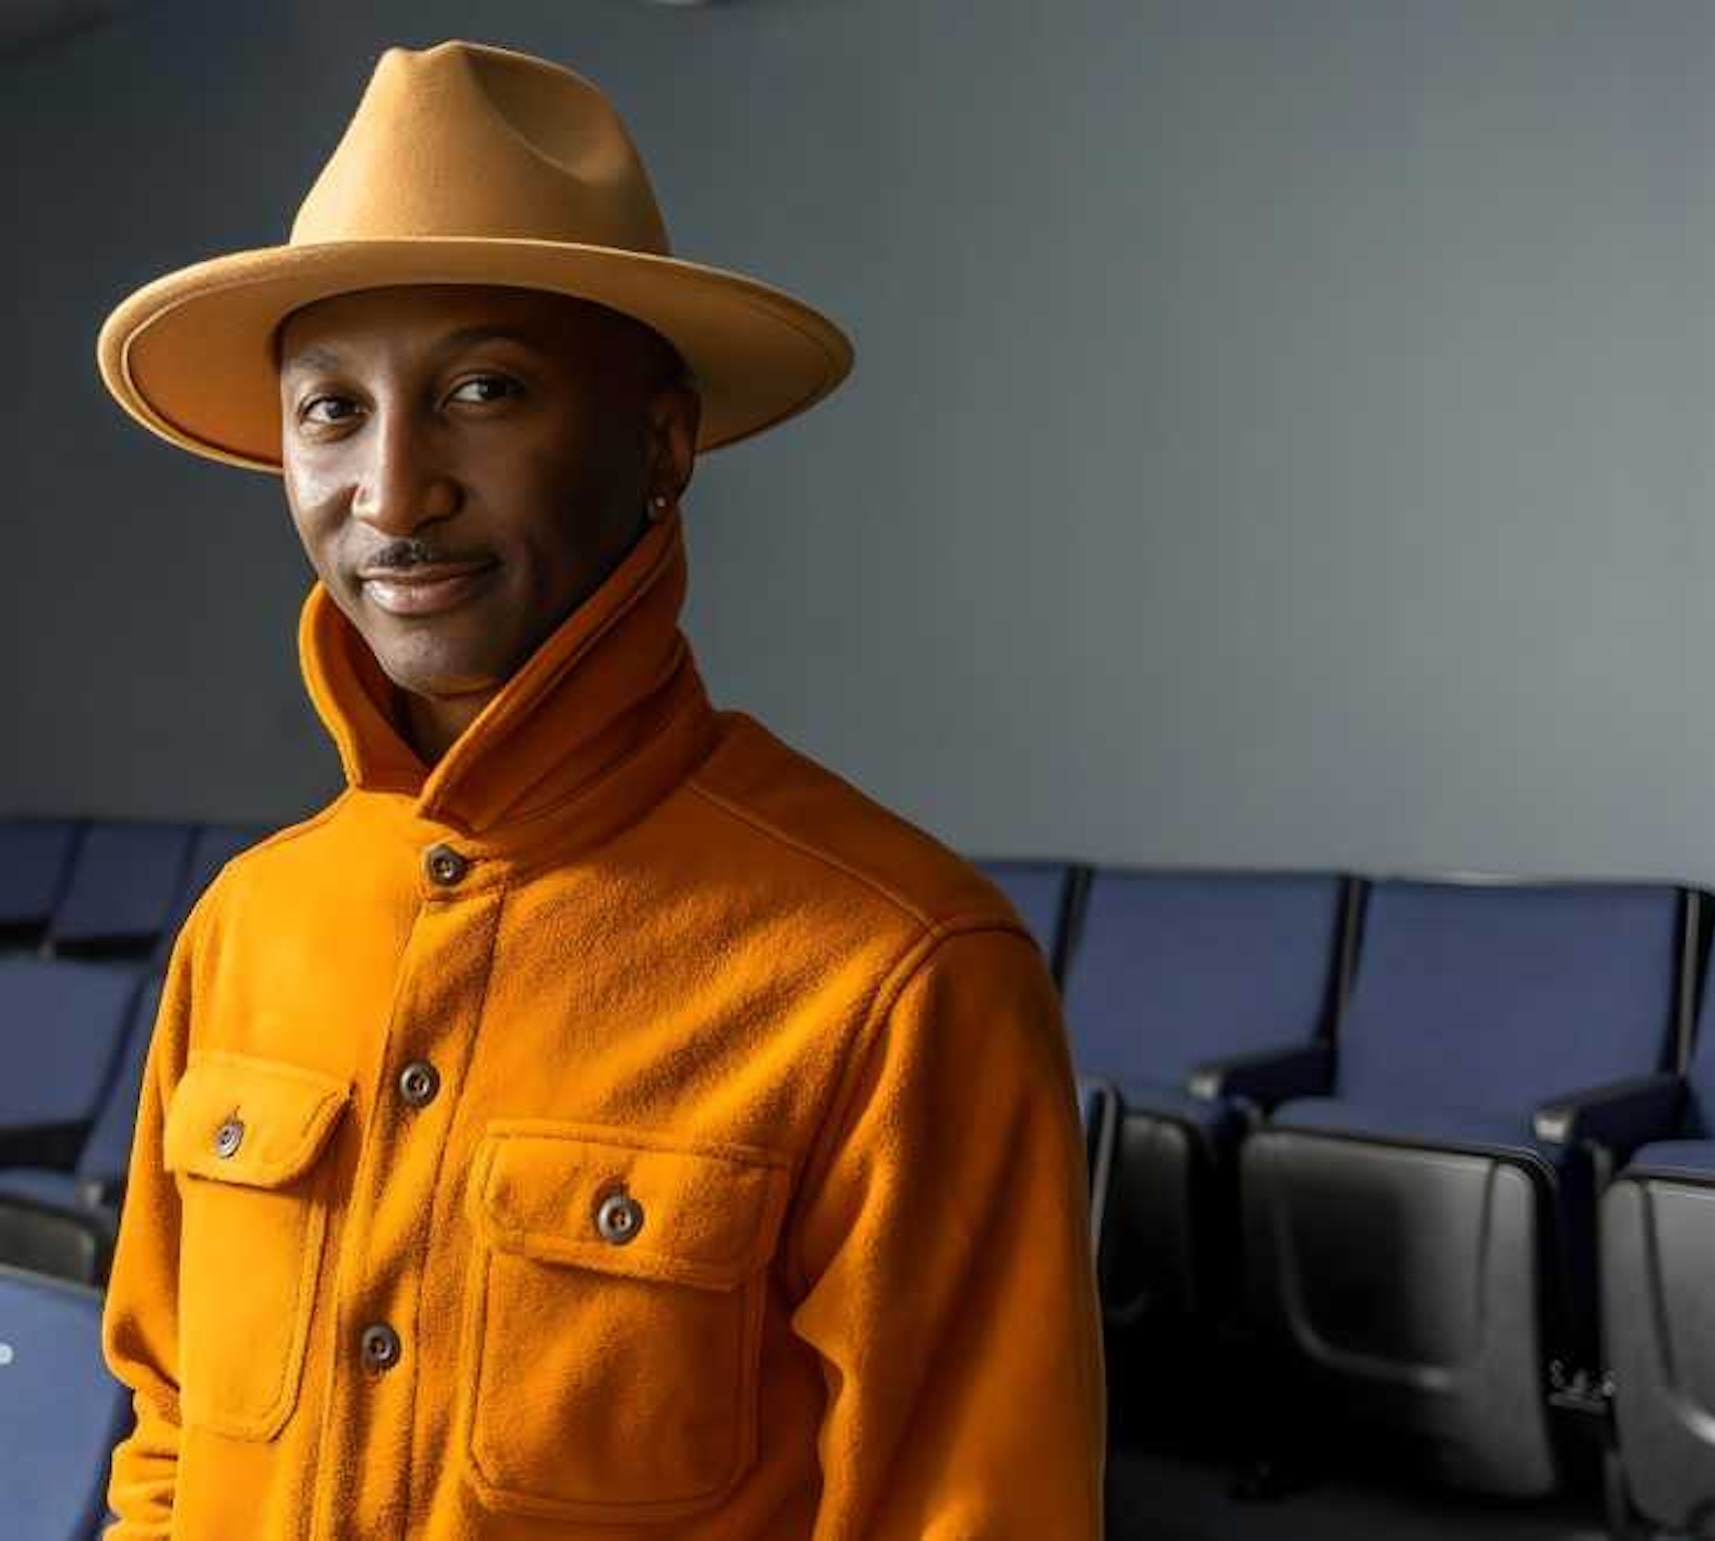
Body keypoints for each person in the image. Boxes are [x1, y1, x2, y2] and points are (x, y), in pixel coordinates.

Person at [92, 36, 1104, 1540]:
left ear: (659, 441)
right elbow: (167, 1435)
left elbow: (974, 1512)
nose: (390, 494)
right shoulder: (246, 928)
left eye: (484, 390)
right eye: (330, 411)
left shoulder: (896, 973)